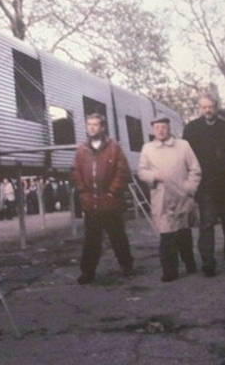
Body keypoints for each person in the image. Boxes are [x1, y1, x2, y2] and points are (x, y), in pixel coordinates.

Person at [72, 113, 134, 284]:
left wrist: (112, 192)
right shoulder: (81, 150)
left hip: (110, 201)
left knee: (117, 236)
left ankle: (126, 265)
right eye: (89, 124)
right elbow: (75, 172)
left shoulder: (114, 148)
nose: (91, 128)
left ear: (103, 127)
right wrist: (83, 192)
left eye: (95, 124)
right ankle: (88, 272)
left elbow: (122, 172)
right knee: (91, 240)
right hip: (90, 203)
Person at [138, 117, 202, 282]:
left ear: (169, 128)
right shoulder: (148, 148)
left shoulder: (183, 145)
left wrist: (189, 187)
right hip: (162, 199)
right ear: (153, 129)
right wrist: (153, 175)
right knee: (167, 236)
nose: (160, 130)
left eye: (163, 127)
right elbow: (141, 172)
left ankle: (190, 263)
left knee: (183, 233)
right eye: (157, 127)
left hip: (182, 198)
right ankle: (169, 271)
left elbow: (195, 169)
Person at [182, 95, 225, 277]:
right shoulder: (192, 129)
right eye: (204, 107)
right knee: (206, 225)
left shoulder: (224, 126)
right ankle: (208, 263)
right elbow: (186, 158)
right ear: (199, 108)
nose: (207, 110)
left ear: (216, 107)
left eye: (210, 107)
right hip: (205, 185)